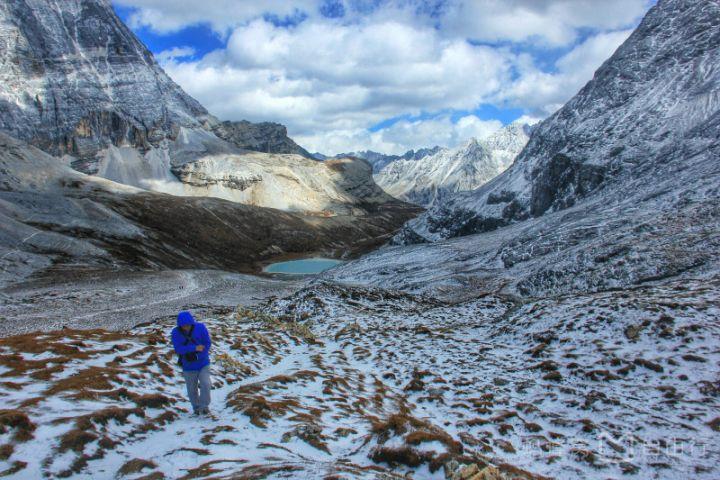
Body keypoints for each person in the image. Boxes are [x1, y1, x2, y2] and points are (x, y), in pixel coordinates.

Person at [171, 311, 212, 415]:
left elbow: (207, 343)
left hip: (203, 363)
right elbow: (178, 349)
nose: (186, 327)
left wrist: (198, 355)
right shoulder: (175, 332)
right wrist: (194, 348)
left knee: (206, 384)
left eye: (188, 325)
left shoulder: (200, 327)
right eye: (183, 326)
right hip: (188, 365)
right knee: (191, 389)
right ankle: (196, 408)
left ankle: (205, 406)